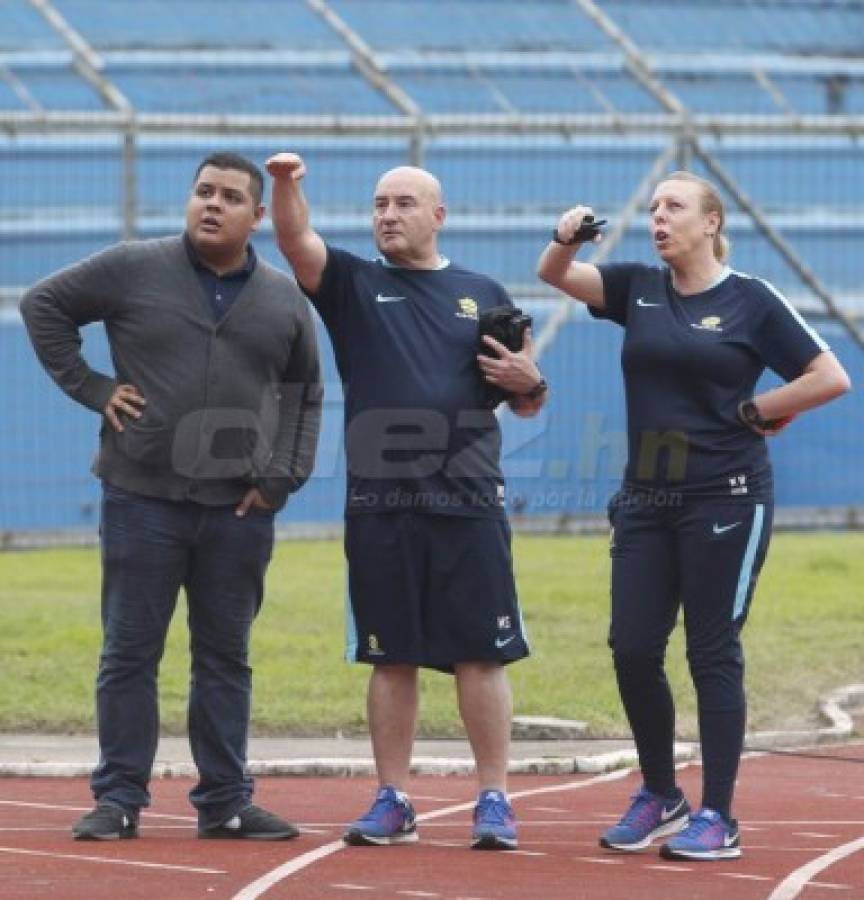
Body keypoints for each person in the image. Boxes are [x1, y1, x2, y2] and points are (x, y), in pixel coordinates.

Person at [537, 171, 850, 861]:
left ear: (711, 222)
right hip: (646, 500)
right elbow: (556, 275)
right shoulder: (637, 288)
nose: (658, 217)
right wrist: (565, 238)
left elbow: (829, 375)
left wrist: (758, 409)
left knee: (711, 651)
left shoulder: (750, 300)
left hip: (727, 497)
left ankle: (721, 816)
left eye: (674, 207)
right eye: (653, 207)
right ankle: (660, 793)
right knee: (632, 647)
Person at [20, 152, 322, 842]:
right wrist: (95, 388)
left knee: (225, 657)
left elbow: (306, 396)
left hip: (238, 513)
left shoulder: (283, 299)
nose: (211, 205)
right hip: (140, 498)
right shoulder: (133, 267)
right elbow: (44, 304)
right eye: (201, 192)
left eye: (228, 197)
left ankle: (226, 802)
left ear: (257, 216)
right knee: (130, 652)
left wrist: (280, 479)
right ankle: (119, 797)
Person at [265, 152, 547, 851]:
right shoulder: (355, 284)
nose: (387, 215)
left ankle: (494, 799)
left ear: (438, 215)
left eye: (402, 204)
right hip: (381, 503)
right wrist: (285, 186)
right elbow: (296, 242)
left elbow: (527, 403)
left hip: (470, 501)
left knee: (483, 654)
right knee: (389, 655)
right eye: (379, 205)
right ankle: (393, 798)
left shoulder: (483, 292)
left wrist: (529, 379)